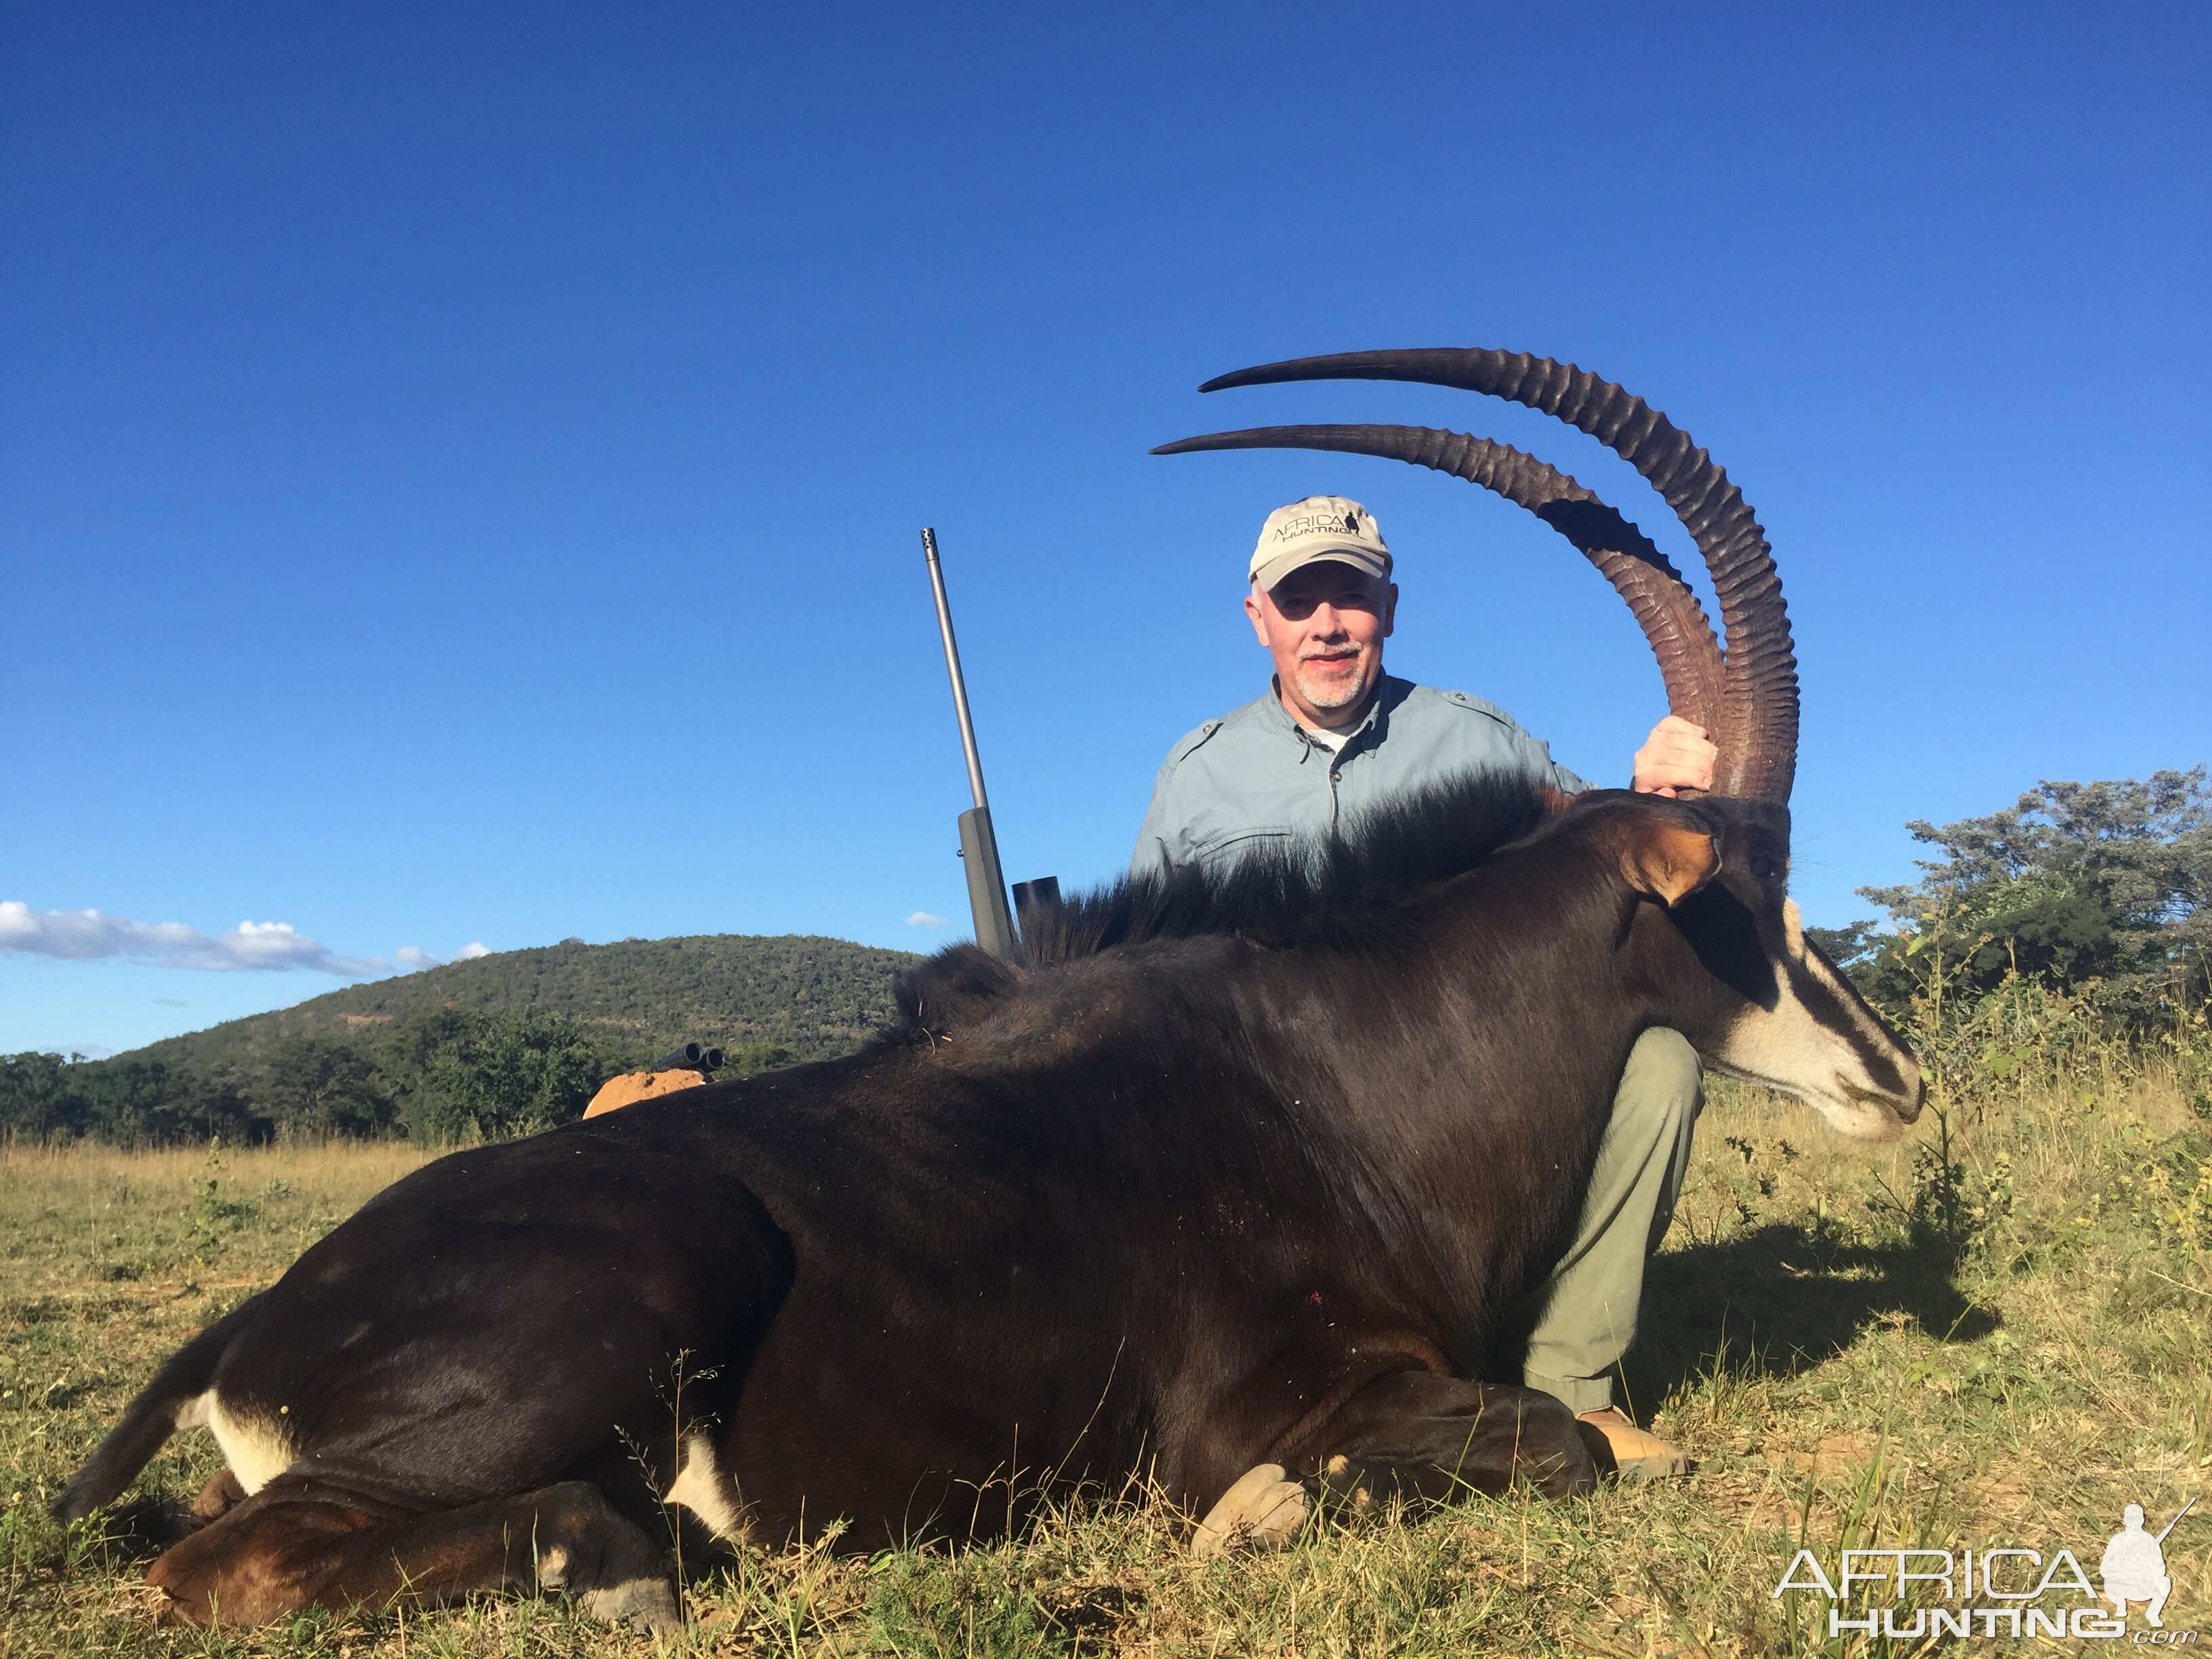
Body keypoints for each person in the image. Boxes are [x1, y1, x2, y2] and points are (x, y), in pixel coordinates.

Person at [1133, 495, 1717, 1478]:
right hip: (1282, 1144)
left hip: (1464, 1123)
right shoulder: (1196, 777)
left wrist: (1654, 790)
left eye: (1350, 597)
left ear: (1389, 610)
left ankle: (1573, 1388)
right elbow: (1149, 988)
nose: (1327, 624)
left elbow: (1604, 866)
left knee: (1658, 1063)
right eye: (1300, 598)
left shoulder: (1484, 742)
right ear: (1258, 618)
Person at [2101, 1504, 2172, 1627]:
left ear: (2142, 1520)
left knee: (2165, 1582)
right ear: (2125, 1521)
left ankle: (2153, 1614)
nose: (2134, 1522)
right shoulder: (2117, 1540)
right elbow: (2105, 1568)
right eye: (2130, 1519)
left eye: (2137, 1519)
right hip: (2122, 1585)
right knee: (2110, 1583)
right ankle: (2121, 1604)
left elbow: (2159, 1566)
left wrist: (2146, 1570)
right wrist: (2120, 1568)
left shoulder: (2149, 1540)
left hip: (2143, 1586)